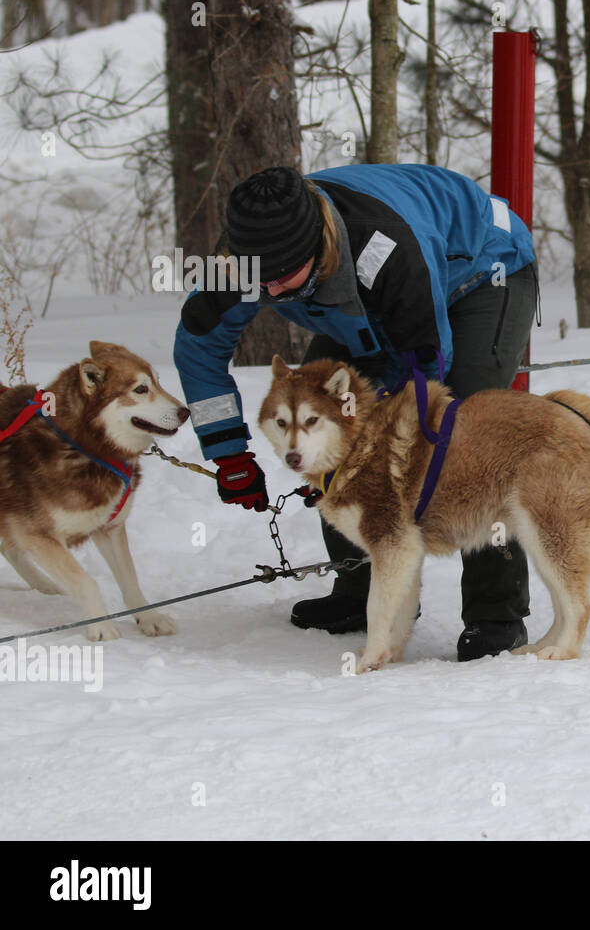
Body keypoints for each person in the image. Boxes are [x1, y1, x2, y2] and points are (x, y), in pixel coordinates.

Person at [174, 164, 538, 660]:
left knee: (468, 429)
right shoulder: (240, 261)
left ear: (315, 249)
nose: (273, 293)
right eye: (262, 283)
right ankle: (360, 591)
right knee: (332, 421)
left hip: (479, 271)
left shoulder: (385, 249)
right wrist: (229, 453)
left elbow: (425, 366)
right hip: (370, 307)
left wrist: (387, 418)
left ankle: (496, 613)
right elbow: (198, 348)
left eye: (283, 278)